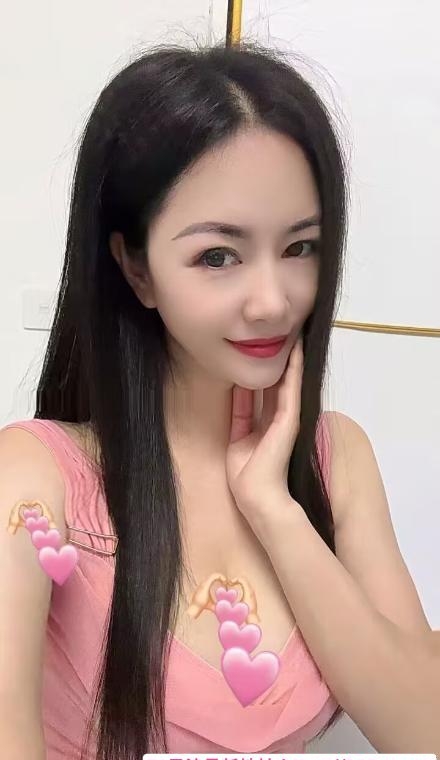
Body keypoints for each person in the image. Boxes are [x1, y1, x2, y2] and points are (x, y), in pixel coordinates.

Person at [0, 39, 438, 760]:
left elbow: (424, 732)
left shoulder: (338, 459)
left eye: (300, 248)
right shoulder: (36, 482)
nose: (273, 301)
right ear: (137, 269)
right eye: (218, 256)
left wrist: (274, 509)